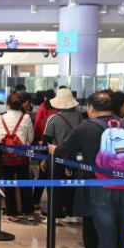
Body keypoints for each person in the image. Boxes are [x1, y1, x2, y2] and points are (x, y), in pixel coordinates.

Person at [52, 91, 124, 248]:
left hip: (101, 187)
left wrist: (53, 149)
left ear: (90, 108)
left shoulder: (86, 128)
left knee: (106, 235)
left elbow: (63, 150)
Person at [42, 89, 83, 224]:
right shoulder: (79, 117)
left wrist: (43, 159)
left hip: (56, 156)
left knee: (54, 186)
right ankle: (71, 213)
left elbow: (46, 141)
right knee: (72, 186)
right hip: (75, 157)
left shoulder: (53, 118)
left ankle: (56, 215)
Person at [0, 92, 35, 219]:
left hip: (6, 156)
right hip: (22, 156)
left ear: (8, 104)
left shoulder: (0, 118)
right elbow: (31, 138)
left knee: (9, 184)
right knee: (24, 182)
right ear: (21, 104)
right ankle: (28, 211)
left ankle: (12, 211)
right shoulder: (26, 118)